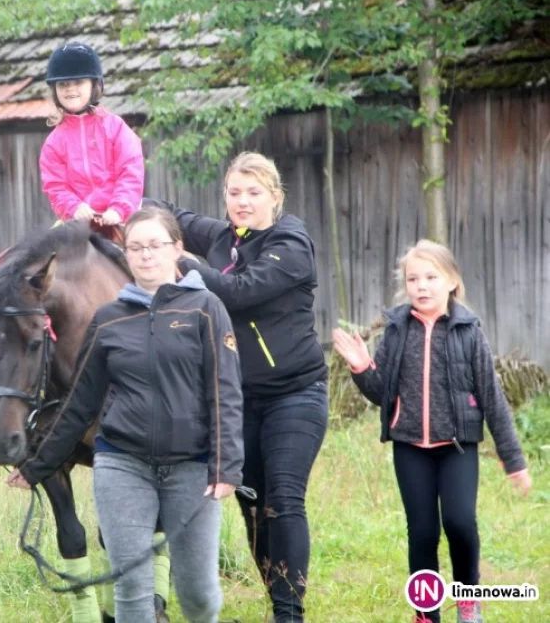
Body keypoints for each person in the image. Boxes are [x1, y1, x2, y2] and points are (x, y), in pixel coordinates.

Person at [6, 207, 245, 623]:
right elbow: (79, 403)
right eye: (135, 247)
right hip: (122, 467)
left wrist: (225, 466)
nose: (145, 255)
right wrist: (37, 466)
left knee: (199, 597)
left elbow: (225, 390)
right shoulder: (109, 319)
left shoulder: (207, 308)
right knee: (132, 596)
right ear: (127, 254)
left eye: (155, 245)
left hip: (191, 468)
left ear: (177, 250)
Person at [145, 151, 329, 622]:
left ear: (275, 196)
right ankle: (276, 598)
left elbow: (240, 291)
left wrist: (182, 260)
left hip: (296, 393)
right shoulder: (225, 237)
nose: (242, 202)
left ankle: (289, 614)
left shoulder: (291, 242)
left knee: (284, 498)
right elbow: (172, 214)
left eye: (253, 192)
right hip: (239, 399)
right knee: (253, 506)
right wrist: (129, 205)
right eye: (234, 193)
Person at [332, 240, 531, 623]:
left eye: (431, 277)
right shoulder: (396, 331)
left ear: (452, 281)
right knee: (422, 532)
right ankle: (426, 611)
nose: (421, 286)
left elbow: (493, 399)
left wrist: (515, 461)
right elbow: (381, 394)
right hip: (410, 448)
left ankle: (468, 599)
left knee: (459, 522)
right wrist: (361, 368)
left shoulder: (469, 333)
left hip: (457, 448)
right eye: (413, 279)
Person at [0, 40, 144, 367]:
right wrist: (73, 208)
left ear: (95, 86)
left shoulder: (117, 129)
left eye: (78, 83)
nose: (71, 89)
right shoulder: (54, 142)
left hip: (119, 218)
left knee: (151, 257)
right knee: (11, 260)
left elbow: (130, 171)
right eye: (63, 85)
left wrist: (117, 209)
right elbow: (55, 185)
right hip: (72, 223)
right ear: (54, 92)